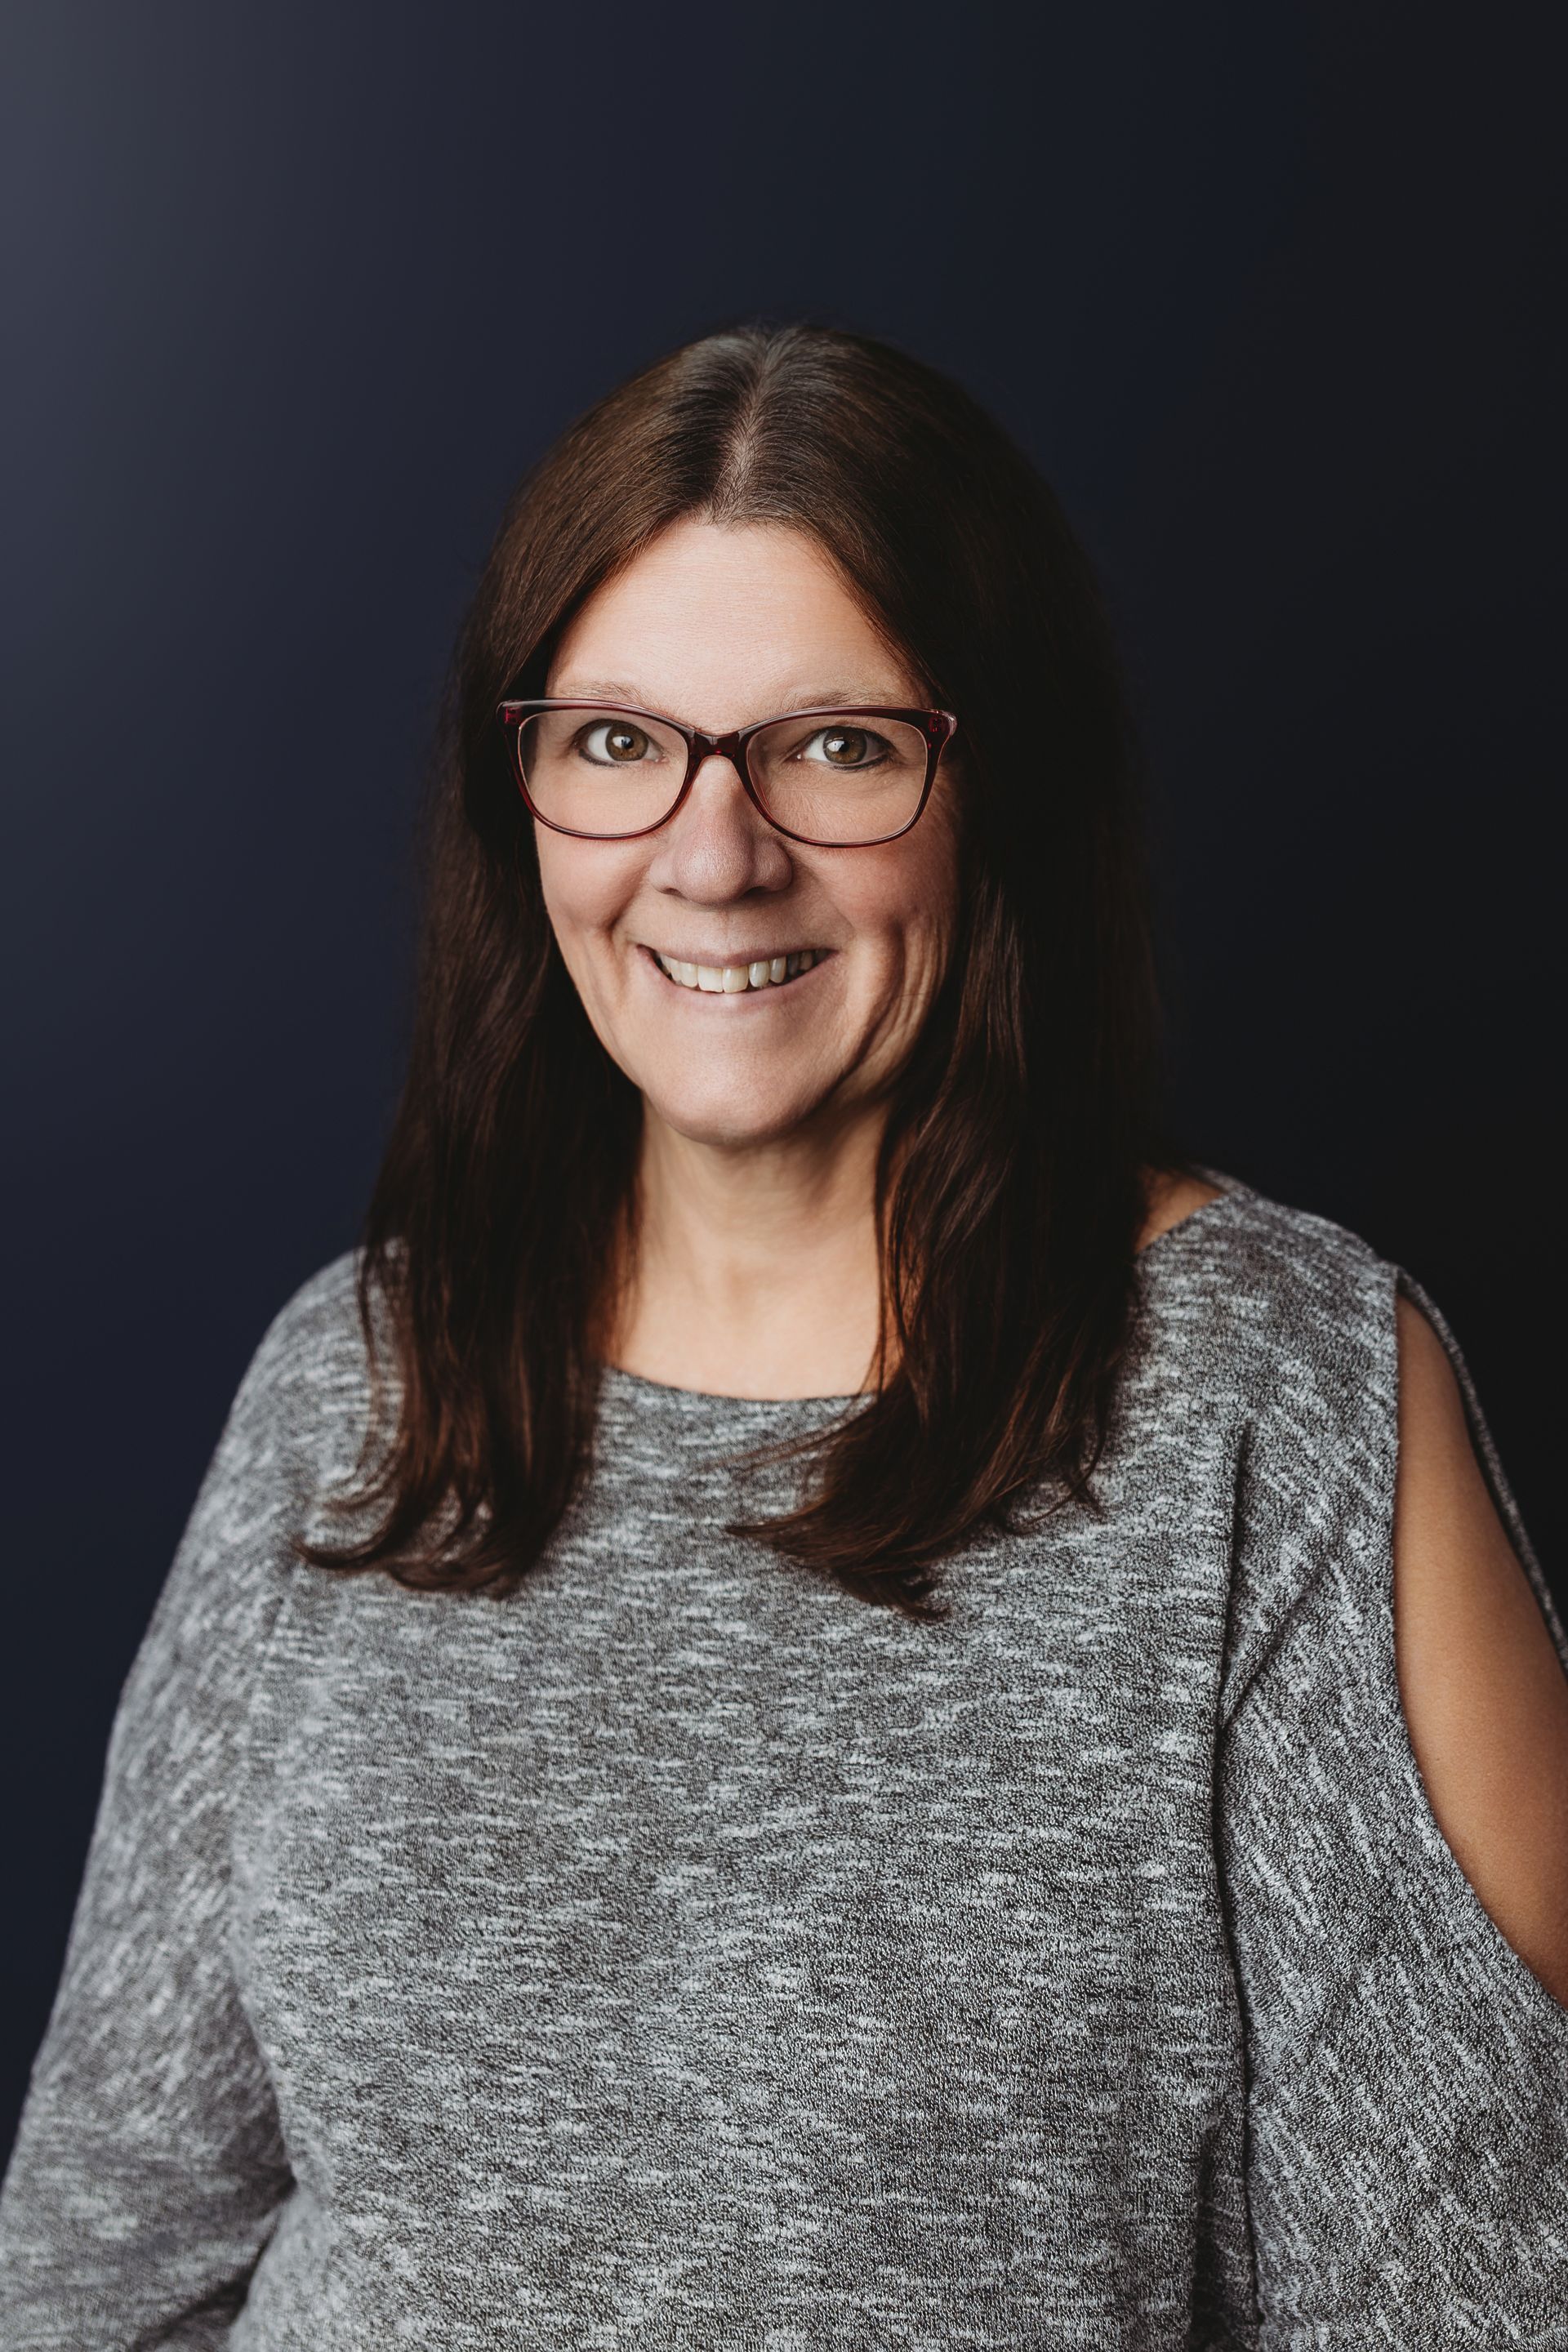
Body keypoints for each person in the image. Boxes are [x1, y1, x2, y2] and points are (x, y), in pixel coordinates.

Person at [2, 318, 1564, 2347]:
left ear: (993, 786)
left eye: (835, 747)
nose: (715, 856)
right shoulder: (365, 1374)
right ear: (521, 794)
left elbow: (1475, 2300)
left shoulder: (1279, 1396)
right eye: (617, 742)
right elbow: (104, 2248)